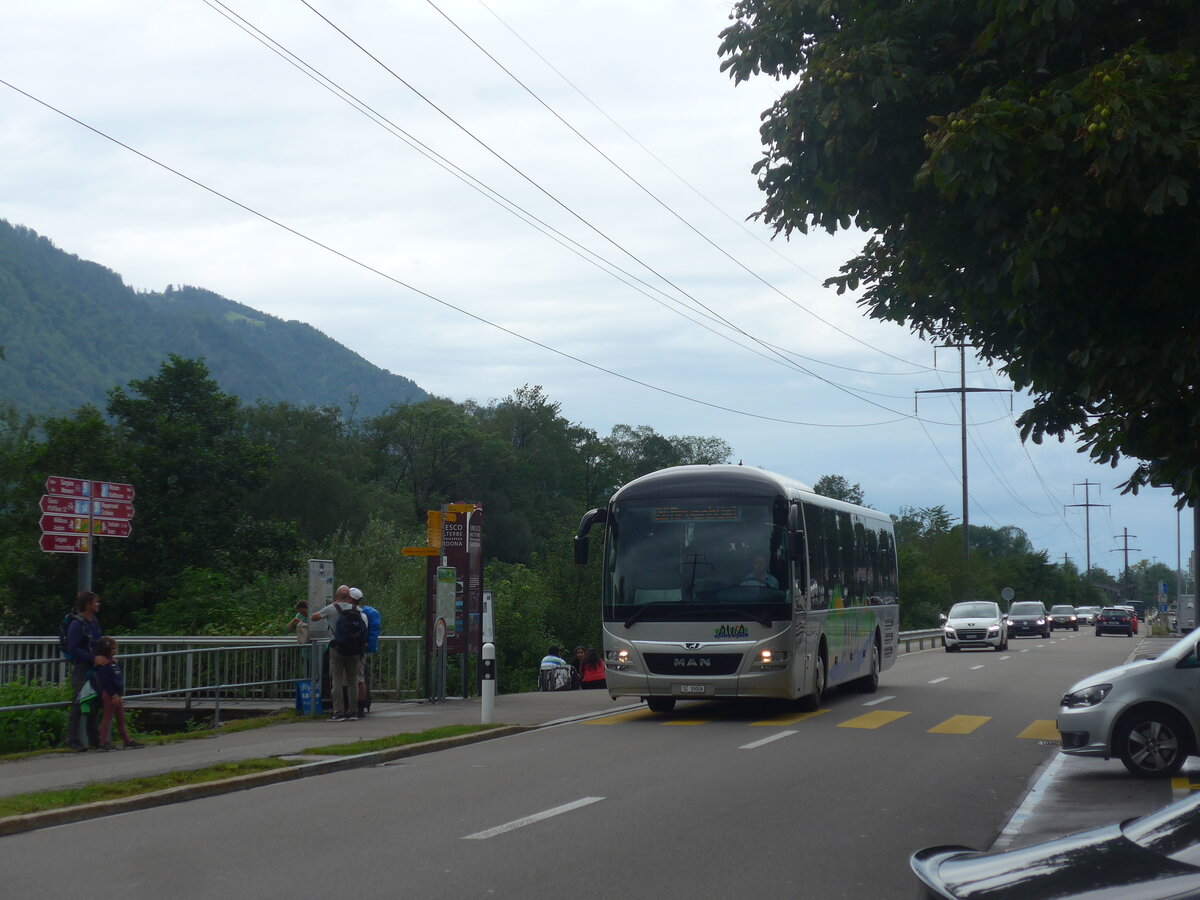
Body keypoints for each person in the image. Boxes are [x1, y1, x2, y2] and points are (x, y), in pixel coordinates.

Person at [311, 585, 366, 722]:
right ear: (349, 597)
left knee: (337, 681)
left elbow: (314, 617)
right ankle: (353, 712)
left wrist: (332, 604)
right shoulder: (357, 609)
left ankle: (338, 713)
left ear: (337, 596)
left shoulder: (331, 608)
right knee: (353, 680)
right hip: (353, 649)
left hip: (337, 648)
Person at [64, 591, 110, 751]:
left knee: (94, 701)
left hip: (95, 666)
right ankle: (73, 739)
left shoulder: (93, 621)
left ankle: (94, 740)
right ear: (87, 604)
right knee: (79, 701)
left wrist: (106, 656)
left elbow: (97, 642)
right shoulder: (77, 624)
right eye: (95, 602)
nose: (98, 604)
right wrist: (92, 658)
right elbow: (72, 648)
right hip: (83, 667)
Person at [92, 636, 144, 751]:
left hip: (117, 693)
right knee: (107, 717)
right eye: (112, 649)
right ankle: (103, 742)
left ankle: (127, 741)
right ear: (106, 650)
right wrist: (113, 694)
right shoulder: (104, 664)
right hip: (110, 694)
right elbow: (106, 681)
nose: (115, 651)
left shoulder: (112, 662)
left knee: (121, 718)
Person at [354, 588, 381, 718]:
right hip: (361, 650)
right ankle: (360, 707)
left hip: (348, 650)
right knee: (360, 678)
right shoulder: (364, 615)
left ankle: (350, 707)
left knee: (351, 679)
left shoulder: (355, 614)